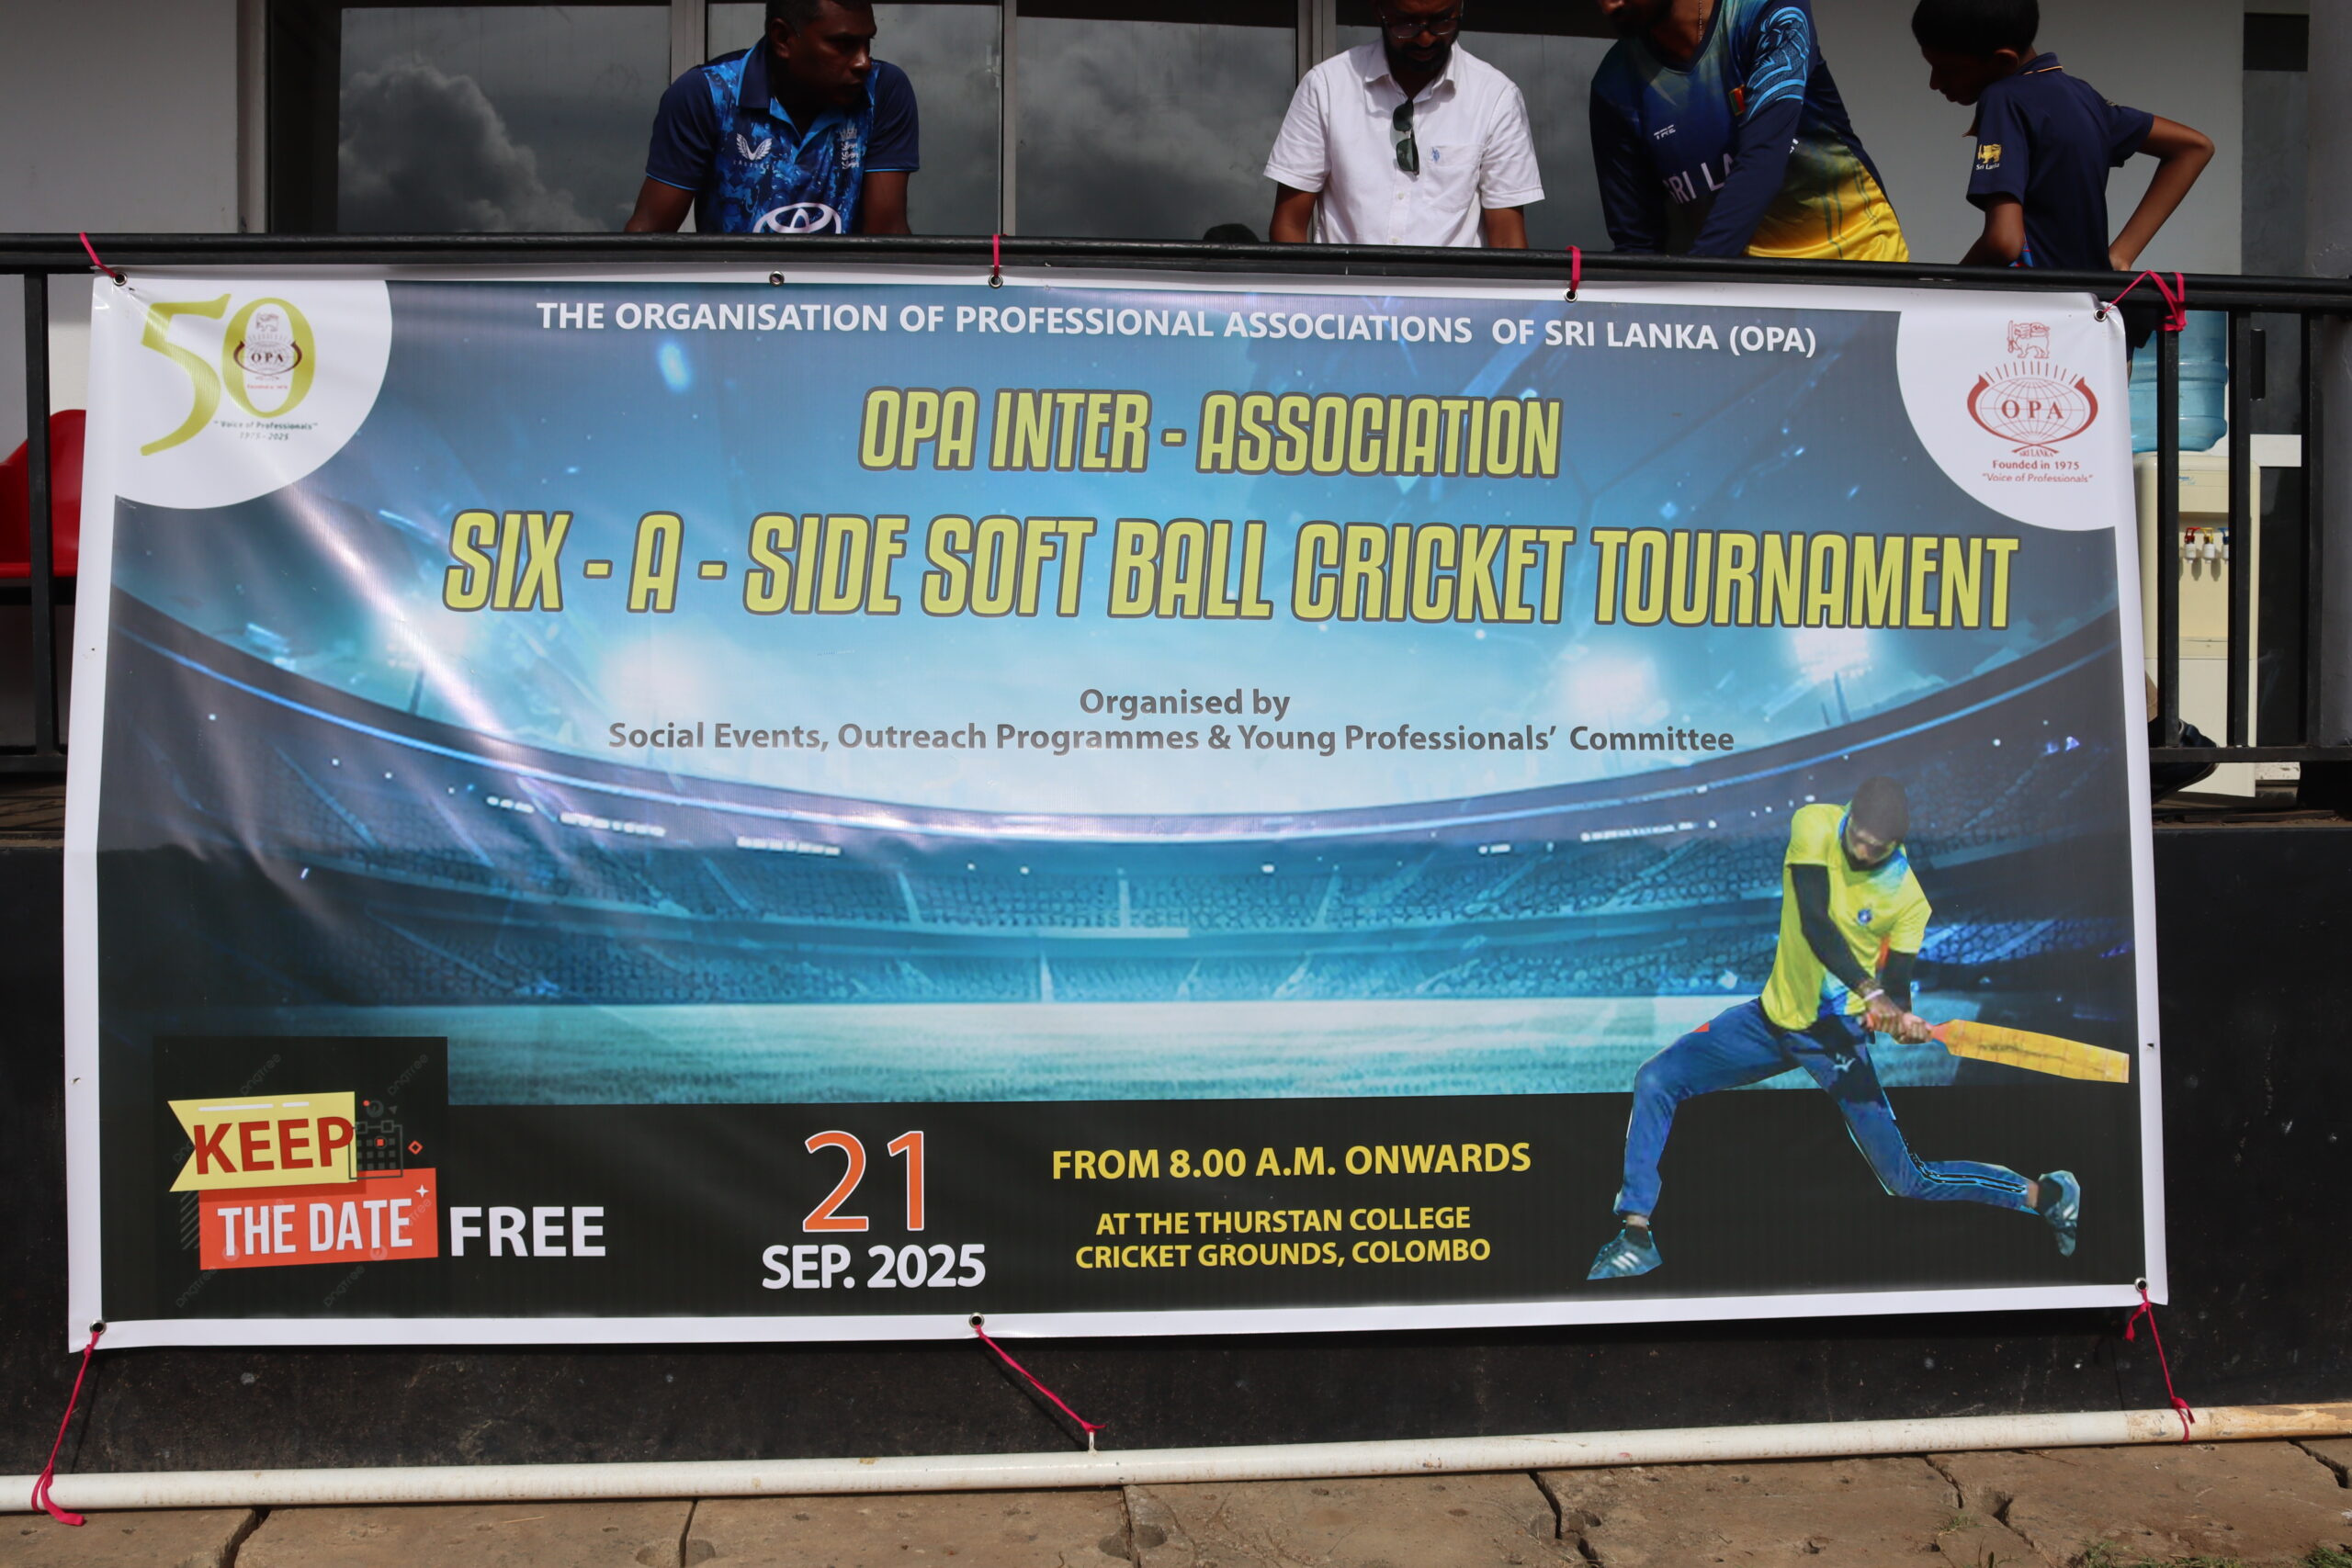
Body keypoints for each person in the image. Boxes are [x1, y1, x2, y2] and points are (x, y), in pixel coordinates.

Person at [1588, 778, 2079, 1280]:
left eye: (1876, 848)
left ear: (1896, 845)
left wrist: (1901, 1019)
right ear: (1847, 817)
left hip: (1835, 1039)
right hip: (1768, 1019)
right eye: (1857, 838)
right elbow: (1814, 920)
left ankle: (2046, 1195)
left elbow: (1897, 987)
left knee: (1906, 1180)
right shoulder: (1816, 824)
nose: (1862, 851)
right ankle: (1637, 1235)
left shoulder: (1908, 900)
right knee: (1656, 1078)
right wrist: (1872, 992)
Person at [1588, 0, 1906, 262]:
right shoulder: (1614, 85)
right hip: (1741, 290)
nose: (1608, 5)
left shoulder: (1767, 11)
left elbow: (1761, 161)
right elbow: (1636, 242)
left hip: (1856, 261)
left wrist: (1694, 280)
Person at [1912, 0, 2213, 272]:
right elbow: (2194, 147)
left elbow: (2004, 242)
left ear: (2003, 61)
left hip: (2034, 305)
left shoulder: (2004, 98)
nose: (1934, 83)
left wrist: (1946, 289)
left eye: (1946, 69)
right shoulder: (2082, 96)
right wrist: (2121, 255)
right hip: (2089, 301)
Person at [1264, 0, 1543, 249]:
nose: (1425, 38)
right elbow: (1288, 225)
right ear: (1379, 10)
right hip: (1346, 289)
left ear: (1460, 8)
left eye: (1441, 21)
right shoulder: (1327, 85)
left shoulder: (1495, 96)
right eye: (1407, 24)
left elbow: (1507, 239)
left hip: (1453, 292)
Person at [626, 0, 916, 236]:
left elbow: (886, 235)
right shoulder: (706, 94)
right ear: (783, 39)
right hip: (732, 291)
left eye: (867, 43)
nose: (863, 62)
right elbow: (650, 234)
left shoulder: (883, 90)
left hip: (841, 292)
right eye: (843, 44)